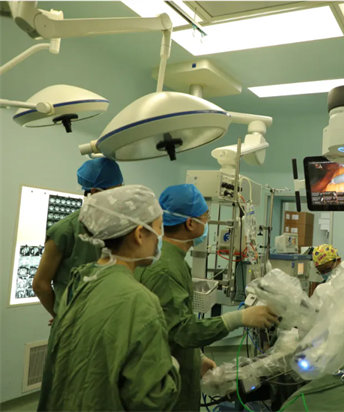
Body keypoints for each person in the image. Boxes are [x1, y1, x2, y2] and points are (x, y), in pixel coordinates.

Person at [135, 184, 280, 411]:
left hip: (176, 370)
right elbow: (181, 331)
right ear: (190, 223)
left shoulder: (170, 260)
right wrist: (239, 318)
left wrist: (197, 358)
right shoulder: (165, 270)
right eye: (206, 217)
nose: (208, 222)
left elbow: (170, 322)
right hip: (164, 386)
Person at [38, 185, 180, 411]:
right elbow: (151, 400)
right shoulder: (139, 300)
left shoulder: (80, 281)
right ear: (139, 234)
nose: (159, 237)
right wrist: (171, 366)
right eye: (158, 228)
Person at [32, 157, 123, 319]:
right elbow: (40, 285)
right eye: (117, 191)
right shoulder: (64, 230)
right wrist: (61, 315)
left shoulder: (119, 227)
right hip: (75, 322)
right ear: (95, 192)